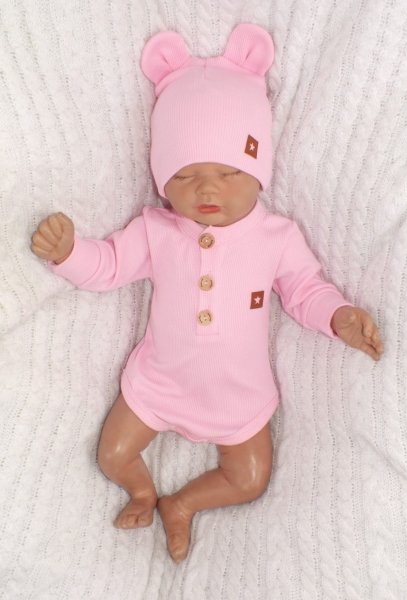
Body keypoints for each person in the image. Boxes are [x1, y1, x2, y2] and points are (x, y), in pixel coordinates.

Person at [30, 24, 383, 563]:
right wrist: (68, 252)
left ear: (259, 171)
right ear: (163, 181)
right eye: (187, 175)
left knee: (250, 477)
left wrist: (338, 315)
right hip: (159, 384)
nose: (208, 188)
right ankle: (143, 491)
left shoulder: (276, 238)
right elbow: (108, 266)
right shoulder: (156, 231)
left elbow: (305, 289)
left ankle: (183, 504)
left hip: (238, 395)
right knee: (112, 455)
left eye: (228, 171)